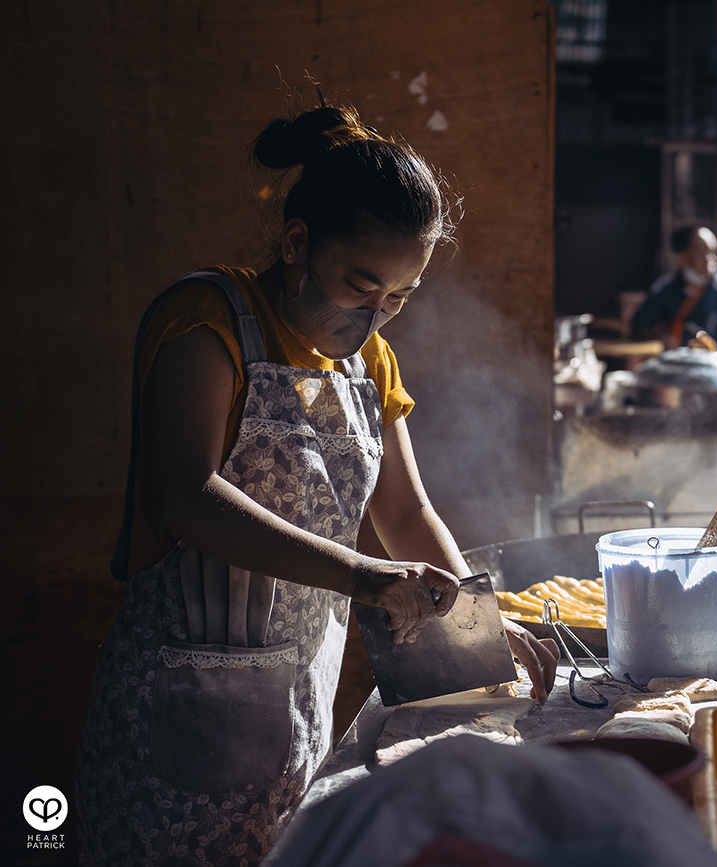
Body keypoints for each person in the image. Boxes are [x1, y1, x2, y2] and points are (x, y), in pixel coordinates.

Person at [75, 99, 559, 866]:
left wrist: (474, 622)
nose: (374, 320)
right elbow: (185, 493)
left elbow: (405, 509)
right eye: (359, 287)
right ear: (297, 243)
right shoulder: (208, 321)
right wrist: (366, 575)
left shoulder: (370, 364)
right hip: (177, 719)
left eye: (397, 300)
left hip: (300, 708)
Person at [632, 225, 717, 354]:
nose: (712, 259)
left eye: (714, 252)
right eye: (703, 252)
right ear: (680, 256)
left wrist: (712, 347)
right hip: (673, 361)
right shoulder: (665, 287)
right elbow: (641, 325)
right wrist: (662, 338)